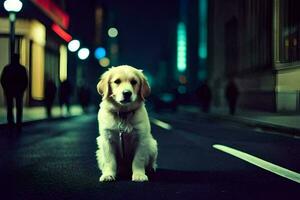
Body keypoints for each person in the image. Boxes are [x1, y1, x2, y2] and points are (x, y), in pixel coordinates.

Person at [1, 53, 28, 132]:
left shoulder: (7, 68)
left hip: (10, 90)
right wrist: (22, 89)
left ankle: (11, 123)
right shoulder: (21, 69)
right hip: (18, 91)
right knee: (18, 107)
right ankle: (18, 123)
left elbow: (3, 79)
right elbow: (25, 81)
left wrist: (6, 88)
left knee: (10, 107)